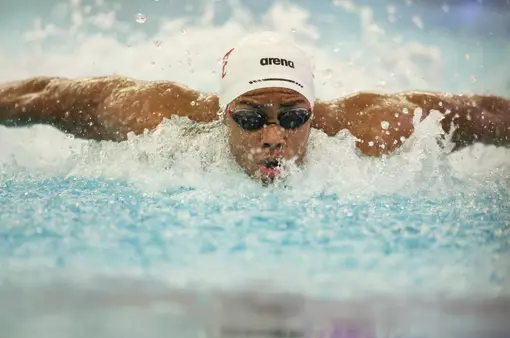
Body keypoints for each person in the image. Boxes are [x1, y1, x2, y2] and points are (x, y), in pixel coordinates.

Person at [0, 32, 509, 182]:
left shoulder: (373, 126)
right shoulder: (151, 118)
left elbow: (485, 113)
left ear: (313, 112)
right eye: (248, 118)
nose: (273, 137)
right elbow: (44, 96)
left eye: (292, 117)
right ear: (221, 113)